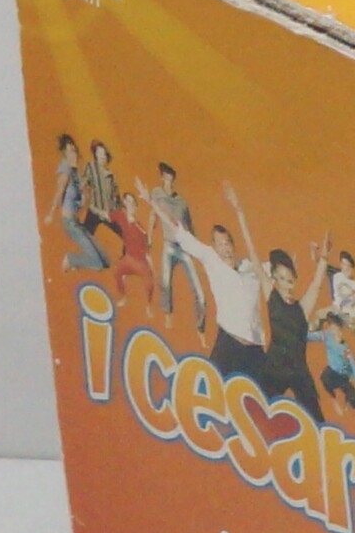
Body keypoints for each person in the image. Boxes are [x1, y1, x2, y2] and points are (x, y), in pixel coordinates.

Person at [137, 177, 264, 381]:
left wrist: (239, 210)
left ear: (233, 245)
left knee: (263, 397)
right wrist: (150, 202)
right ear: (214, 248)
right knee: (210, 387)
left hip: (255, 350)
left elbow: (276, 276)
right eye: (220, 244)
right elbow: (177, 229)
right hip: (229, 344)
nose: (225, 248)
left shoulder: (250, 268)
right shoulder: (212, 259)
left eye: (228, 243)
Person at [262, 236, 333, 423]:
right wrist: (241, 219)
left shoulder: (302, 309)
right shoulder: (272, 299)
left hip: (298, 370)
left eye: (290, 281)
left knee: (317, 421)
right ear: (275, 279)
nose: (287, 285)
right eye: (282, 279)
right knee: (258, 411)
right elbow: (254, 257)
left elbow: (316, 285)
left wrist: (324, 258)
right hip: (274, 368)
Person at [146, 162, 207, 334]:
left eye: (170, 175)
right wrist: (149, 237)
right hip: (168, 246)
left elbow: (190, 226)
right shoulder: (157, 194)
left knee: (198, 288)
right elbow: (153, 215)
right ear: (161, 177)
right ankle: (168, 315)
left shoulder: (181, 202)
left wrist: (195, 248)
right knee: (165, 282)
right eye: (165, 175)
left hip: (184, 247)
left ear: (173, 178)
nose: (168, 178)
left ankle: (200, 326)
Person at [43, 134, 107, 272]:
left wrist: (87, 193)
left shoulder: (75, 173)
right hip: (69, 223)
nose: (74, 154)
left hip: (76, 222)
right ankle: (71, 259)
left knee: (105, 261)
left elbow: (82, 202)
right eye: (70, 151)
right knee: (97, 264)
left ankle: (76, 263)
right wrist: (50, 214)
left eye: (75, 150)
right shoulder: (65, 169)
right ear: (65, 153)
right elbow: (59, 192)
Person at [310, 311, 355, 415]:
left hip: (343, 378)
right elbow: (309, 337)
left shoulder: (345, 349)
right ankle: (335, 400)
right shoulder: (326, 335)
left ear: (340, 328)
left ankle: (348, 401)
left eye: (337, 328)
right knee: (325, 377)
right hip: (331, 374)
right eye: (332, 327)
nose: (335, 331)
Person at [113, 191, 155, 312]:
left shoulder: (140, 227)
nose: (130, 205)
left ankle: (148, 306)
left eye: (132, 202)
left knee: (149, 282)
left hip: (141, 261)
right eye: (128, 201)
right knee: (117, 273)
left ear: (136, 206)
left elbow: (147, 245)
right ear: (124, 203)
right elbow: (108, 215)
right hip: (128, 258)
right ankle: (123, 297)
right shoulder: (121, 216)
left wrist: (151, 265)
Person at [81, 140, 123, 246]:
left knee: (124, 233)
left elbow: (116, 196)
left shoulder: (110, 175)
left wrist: (117, 210)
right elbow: (83, 184)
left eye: (104, 153)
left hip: (107, 212)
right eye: (99, 153)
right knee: (85, 238)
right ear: (95, 154)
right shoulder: (91, 167)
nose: (102, 156)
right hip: (95, 211)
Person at [330, 250, 355, 350]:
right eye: (343, 264)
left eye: (349, 266)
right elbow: (321, 264)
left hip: (350, 317)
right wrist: (314, 252)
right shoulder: (336, 275)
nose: (346, 268)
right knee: (319, 317)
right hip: (336, 311)